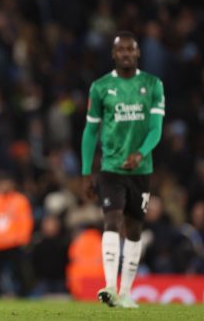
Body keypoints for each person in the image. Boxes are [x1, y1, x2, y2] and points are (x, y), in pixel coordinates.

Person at [81, 31, 165, 308]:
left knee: (134, 230)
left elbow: (156, 129)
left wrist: (141, 153)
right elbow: (90, 131)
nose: (126, 54)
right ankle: (109, 285)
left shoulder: (153, 85)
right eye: (121, 50)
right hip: (111, 167)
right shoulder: (100, 87)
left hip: (141, 170)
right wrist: (85, 171)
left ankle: (126, 293)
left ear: (138, 53)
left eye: (131, 49)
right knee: (111, 220)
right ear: (114, 54)